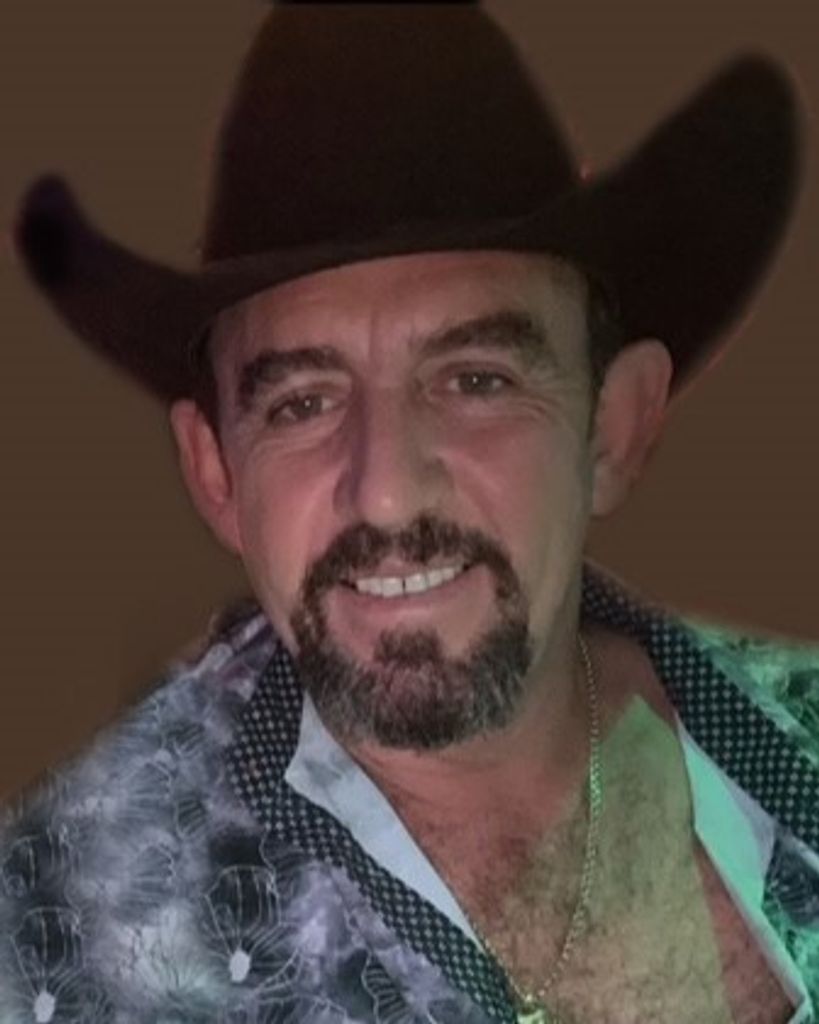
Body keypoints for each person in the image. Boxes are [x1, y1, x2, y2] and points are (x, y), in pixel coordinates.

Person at [1, 3, 817, 1022]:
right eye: (302, 403)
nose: (385, 488)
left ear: (611, 429)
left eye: (475, 380)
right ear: (216, 475)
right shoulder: (52, 934)